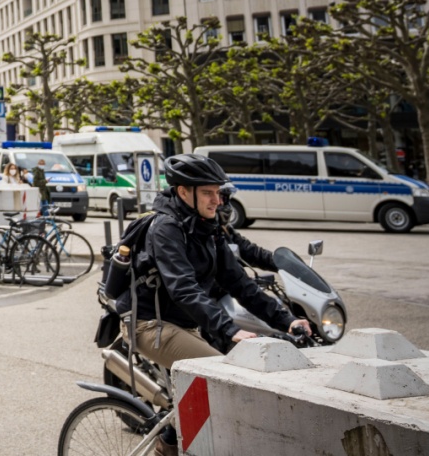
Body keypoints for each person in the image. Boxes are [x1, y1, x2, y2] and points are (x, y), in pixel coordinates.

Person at [126, 154, 309, 456]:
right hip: (151, 325)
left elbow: (241, 284)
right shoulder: (165, 228)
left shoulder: (207, 227)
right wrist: (230, 330)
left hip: (187, 324)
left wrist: (286, 320)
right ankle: (166, 447)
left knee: (239, 373)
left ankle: (176, 439)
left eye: (218, 192)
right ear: (184, 192)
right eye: (208, 193)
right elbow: (184, 289)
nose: (218, 201)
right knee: (216, 377)